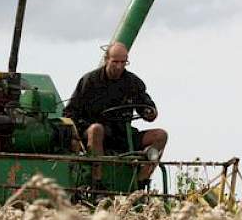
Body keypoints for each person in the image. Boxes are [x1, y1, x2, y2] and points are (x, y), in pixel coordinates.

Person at [63, 41, 167, 190]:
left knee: (161, 135)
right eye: (115, 62)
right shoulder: (90, 81)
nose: (119, 66)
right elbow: (69, 112)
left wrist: (149, 112)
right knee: (97, 129)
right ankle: (97, 185)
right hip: (95, 136)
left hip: (123, 135)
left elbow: (147, 107)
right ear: (106, 60)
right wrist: (80, 133)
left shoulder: (132, 82)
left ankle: (140, 183)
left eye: (123, 62)